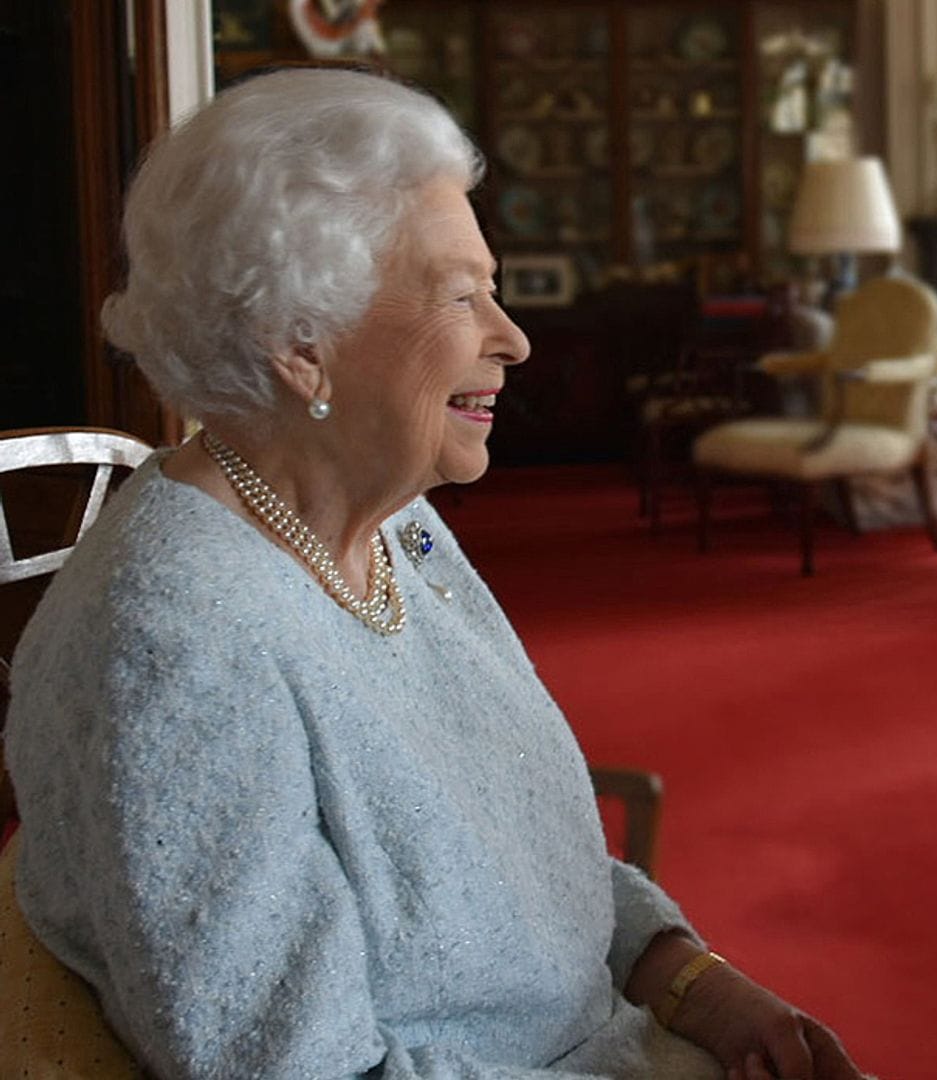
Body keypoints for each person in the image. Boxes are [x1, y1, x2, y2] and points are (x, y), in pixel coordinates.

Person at [4, 69, 864, 1080]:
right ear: (300, 345)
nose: (515, 337)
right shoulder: (175, 647)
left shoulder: (397, 527)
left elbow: (522, 856)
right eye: (463, 296)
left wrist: (687, 977)